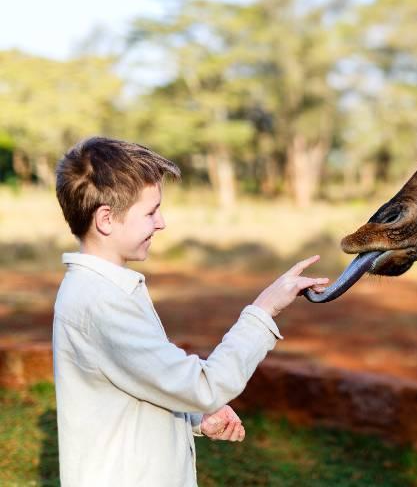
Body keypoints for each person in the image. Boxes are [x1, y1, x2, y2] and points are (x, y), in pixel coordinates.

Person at [51, 136, 329, 486]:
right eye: (150, 211)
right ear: (106, 219)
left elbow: (141, 379)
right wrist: (264, 309)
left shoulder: (103, 290)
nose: (162, 222)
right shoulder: (101, 303)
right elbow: (205, 385)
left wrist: (195, 416)